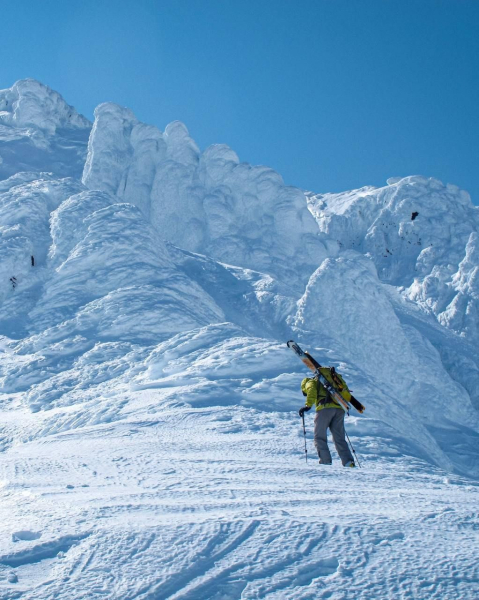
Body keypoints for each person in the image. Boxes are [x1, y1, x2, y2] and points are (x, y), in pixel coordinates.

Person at [299, 369, 355, 467]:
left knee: (319, 436)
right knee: (339, 437)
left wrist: (308, 405)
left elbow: (311, 390)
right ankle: (348, 462)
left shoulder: (310, 381)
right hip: (339, 408)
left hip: (325, 409)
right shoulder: (331, 379)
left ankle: (325, 461)